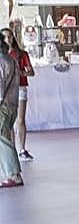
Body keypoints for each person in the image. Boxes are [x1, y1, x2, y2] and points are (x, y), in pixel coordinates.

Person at [1, 26, 33, 161]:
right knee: (8, 122)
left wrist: (18, 73)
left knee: (20, 119)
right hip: (6, 91)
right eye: (5, 37)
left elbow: (31, 72)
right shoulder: (3, 56)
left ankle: (22, 149)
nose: (8, 39)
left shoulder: (21, 54)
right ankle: (12, 149)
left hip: (20, 88)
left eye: (10, 36)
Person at [0, 37, 19, 189]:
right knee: (4, 137)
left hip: (3, 105)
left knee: (3, 139)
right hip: (12, 103)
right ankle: (9, 173)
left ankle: (13, 174)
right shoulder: (10, 60)